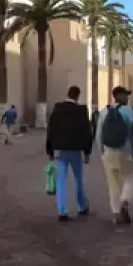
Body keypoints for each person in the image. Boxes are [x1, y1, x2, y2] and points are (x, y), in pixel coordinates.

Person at [46, 86, 93, 222]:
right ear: (77, 96)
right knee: (79, 179)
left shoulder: (57, 109)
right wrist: (87, 151)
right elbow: (87, 132)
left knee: (61, 180)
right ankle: (81, 206)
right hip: (76, 150)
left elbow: (51, 130)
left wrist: (50, 150)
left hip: (60, 150)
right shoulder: (81, 111)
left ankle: (62, 211)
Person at [97, 86, 133, 225]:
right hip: (124, 151)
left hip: (109, 152)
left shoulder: (105, 111)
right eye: (126, 95)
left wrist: (102, 152)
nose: (127, 98)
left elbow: (99, 134)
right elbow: (132, 135)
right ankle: (124, 201)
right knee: (129, 179)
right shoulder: (128, 111)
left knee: (113, 184)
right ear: (119, 96)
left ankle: (116, 214)